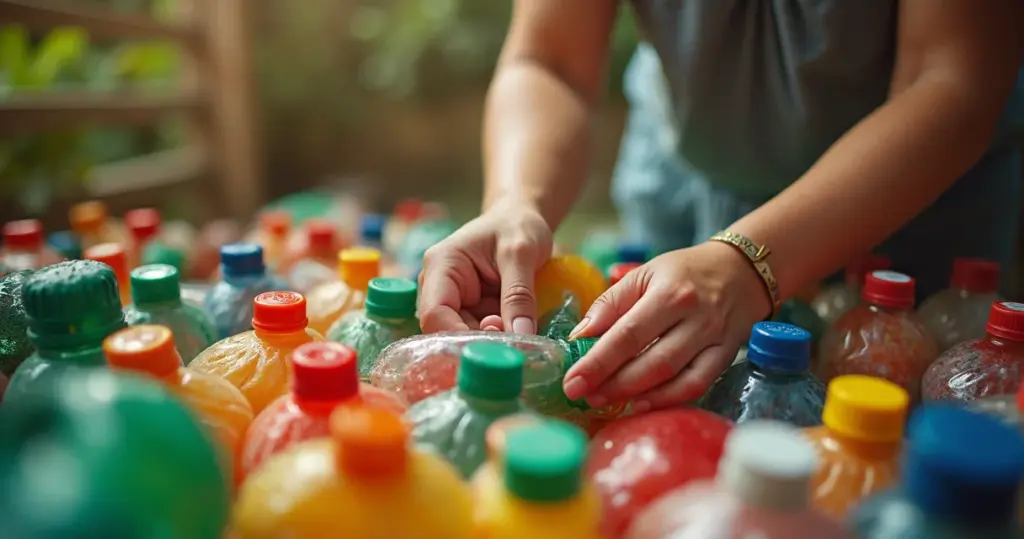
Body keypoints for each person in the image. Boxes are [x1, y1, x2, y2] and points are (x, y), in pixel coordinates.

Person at [417, 0, 1024, 413]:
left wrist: (749, 261)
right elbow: (551, 61)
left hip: (898, 198)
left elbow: (951, 78)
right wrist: (517, 200)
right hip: (687, 174)